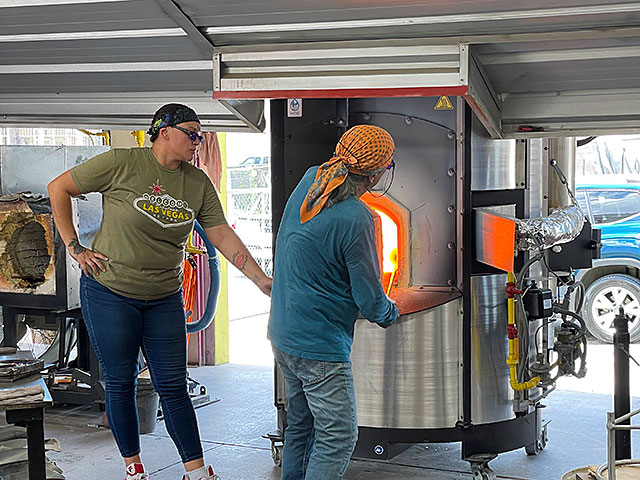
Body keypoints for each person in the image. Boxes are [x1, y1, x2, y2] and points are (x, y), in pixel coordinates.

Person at [48, 103, 272, 480]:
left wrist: (259, 278)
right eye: (192, 133)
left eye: (201, 136)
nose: (198, 142)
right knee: (120, 380)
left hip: (164, 295)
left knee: (173, 384)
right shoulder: (122, 163)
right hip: (110, 290)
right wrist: (75, 248)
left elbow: (220, 233)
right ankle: (134, 469)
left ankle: (197, 471)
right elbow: (59, 188)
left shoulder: (196, 182)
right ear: (163, 131)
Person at [268, 124, 399, 480]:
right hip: (319, 347)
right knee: (338, 435)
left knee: (301, 426)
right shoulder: (358, 218)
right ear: (374, 174)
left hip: (283, 333)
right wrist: (392, 310)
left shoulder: (312, 178)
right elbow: (372, 303)